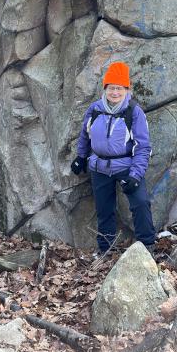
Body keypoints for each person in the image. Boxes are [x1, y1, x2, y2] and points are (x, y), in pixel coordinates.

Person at [71, 61, 155, 256]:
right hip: (99, 167)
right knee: (104, 210)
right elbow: (85, 134)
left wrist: (135, 175)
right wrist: (81, 157)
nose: (115, 92)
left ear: (126, 89)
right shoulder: (95, 109)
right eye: (111, 88)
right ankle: (106, 249)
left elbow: (143, 147)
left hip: (127, 166)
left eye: (119, 88)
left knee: (141, 203)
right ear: (105, 88)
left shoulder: (133, 112)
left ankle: (147, 246)